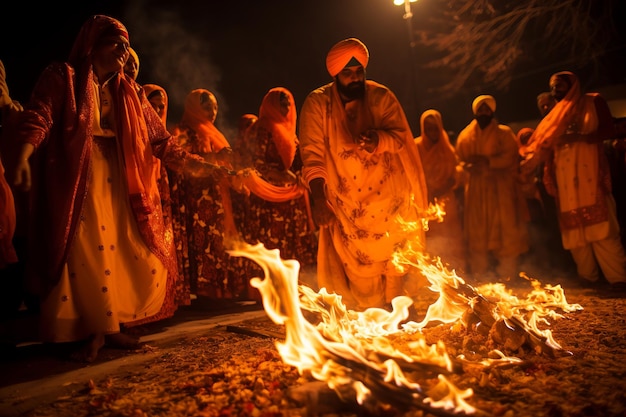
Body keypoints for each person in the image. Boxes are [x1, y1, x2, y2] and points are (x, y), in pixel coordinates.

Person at [11, 15, 225, 362]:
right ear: (93, 44)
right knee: (86, 251)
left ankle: (108, 328)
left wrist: (205, 168)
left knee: (117, 249)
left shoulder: (131, 92)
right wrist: (23, 157)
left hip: (120, 179)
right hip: (78, 179)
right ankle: (87, 330)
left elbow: (162, 143)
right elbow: (41, 116)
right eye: (116, 43)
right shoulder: (62, 77)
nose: (124, 51)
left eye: (127, 45)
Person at [298, 38, 428, 311]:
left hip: (390, 197)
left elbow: (402, 139)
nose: (355, 78)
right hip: (348, 203)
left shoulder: (381, 96)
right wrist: (320, 200)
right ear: (335, 74)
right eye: (348, 73)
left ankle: (398, 308)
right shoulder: (318, 103)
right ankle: (370, 315)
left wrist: (378, 140)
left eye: (359, 72)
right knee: (361, 276)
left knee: (395, 259)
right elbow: (312, 154)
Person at [521, 71, 626, 288]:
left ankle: (617, 278)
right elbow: (543, 146)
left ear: (572, 85)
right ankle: (588, 276)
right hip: (565, 177)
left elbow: (609, 129)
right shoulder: (553, 116)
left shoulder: (593, 101)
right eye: (552, 86)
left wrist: (584, 137)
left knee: (603, 228)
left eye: (559, 85)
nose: (555, 90)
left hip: (590, 172)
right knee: (574, 232)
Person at [170, 88, 252, 300]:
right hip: (198, 200)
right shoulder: (183, 131)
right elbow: (185, 162)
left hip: (218, 196)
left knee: (220, 241)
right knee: (205, 242)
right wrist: (216, 156)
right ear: (194, 107)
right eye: (206, 106)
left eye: (215, 107)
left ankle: (222, 289)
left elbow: (224, 164)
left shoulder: (214, 133)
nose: (212, 111)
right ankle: (206, 292)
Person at [239, 87, 317, 275]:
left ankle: (294, 290)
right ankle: (269, 290)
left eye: (289, 104)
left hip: (293, 198)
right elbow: (254, 162)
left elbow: (299, 162)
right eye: (282, 104)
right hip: (268, 200)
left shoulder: (290, 134)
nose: (286, 108)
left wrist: (302, 175)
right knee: (271, 244)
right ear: (271, 105)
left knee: (293, 243)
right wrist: (279, 175)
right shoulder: (260, 129)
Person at [455, 95, 529, 281]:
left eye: (487, 109)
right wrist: (468, 166)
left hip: (500, 188)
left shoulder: (504, 133)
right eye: (480, 109)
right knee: (477, 233)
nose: (483, 113)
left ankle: (507, 274)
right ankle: (481, 275)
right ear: (474, 111)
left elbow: (511, 157)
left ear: (493, 111)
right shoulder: (465, 135)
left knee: (505, 231)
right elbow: (459, 161)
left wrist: (488, 162)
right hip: (475, 189)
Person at [414, 109, 466, 272]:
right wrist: (427, 192)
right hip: (425, 201)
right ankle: (431, 275)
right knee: (429, 239)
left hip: (445, 201)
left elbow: (454, 175)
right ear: (423, 129)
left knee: (452, 237)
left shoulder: (447, 149)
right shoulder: (415, 147)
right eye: (428, 128)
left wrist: (445, 187)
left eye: (435, 128)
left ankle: (455, 273)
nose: (432, 132)